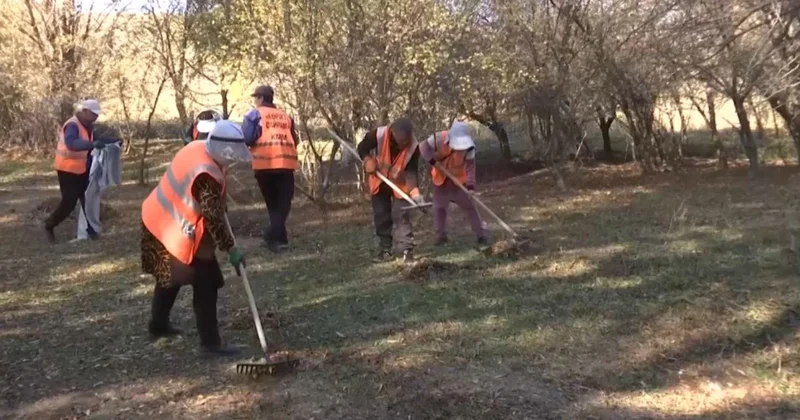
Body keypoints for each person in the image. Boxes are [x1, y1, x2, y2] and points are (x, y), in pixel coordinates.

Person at [141, 120, 250, 356]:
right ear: (225, 151)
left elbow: (212, 208)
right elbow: (213, 218)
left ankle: (158, 326)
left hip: (158, 216)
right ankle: (210, 344)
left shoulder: (197, 147)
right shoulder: (206, 174)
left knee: (169, 277)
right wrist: (231, 250)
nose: (234, 161)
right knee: (206, 282)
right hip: (174, 227)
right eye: (232, 156)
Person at [45, 99, 117, 243]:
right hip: (67, 170)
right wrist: (91, 145)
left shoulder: (87, 125)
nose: (96, 117)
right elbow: (72, 143)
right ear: (84, 111)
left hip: (82, 169)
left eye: (97, 115)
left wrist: (114, 140)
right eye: (93, 114)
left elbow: (96, 138)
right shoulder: (72, 125)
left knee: (87, 200)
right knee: (69, 204)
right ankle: (49, 225)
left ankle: (91, 231)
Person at [357, 118, 424, 264]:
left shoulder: (414, 147)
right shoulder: (379, 134)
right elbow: (362, 147)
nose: (403, 144)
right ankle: (385, 249)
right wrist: (367, 160)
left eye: (406, 141)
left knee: (403, 215)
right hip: (379, 180)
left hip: (400, 184)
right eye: (401, 141)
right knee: (382, 215)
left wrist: (415, 194)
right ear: (392, 132)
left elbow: (411, 172)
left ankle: (407, 251)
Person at [242, 85, 299, 253]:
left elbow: (247, 138)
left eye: (255, 98)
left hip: (264, 166)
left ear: (260, 98)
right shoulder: (286, 117)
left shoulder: (254, 115)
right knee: (283, 204)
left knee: (273, 205)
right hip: (286, 166)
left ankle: (271, 236)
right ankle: (279, 240)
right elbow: (294, 140)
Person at [420, 121, 488, 246]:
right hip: (441, 181)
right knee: (439, 208)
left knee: (470, 207)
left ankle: (481, 235)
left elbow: (470, 167)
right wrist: (434, 162)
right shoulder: (439, 138)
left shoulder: (470, 149)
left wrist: (471, 187)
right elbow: (423, 147)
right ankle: (441, 236)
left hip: (459, 182)